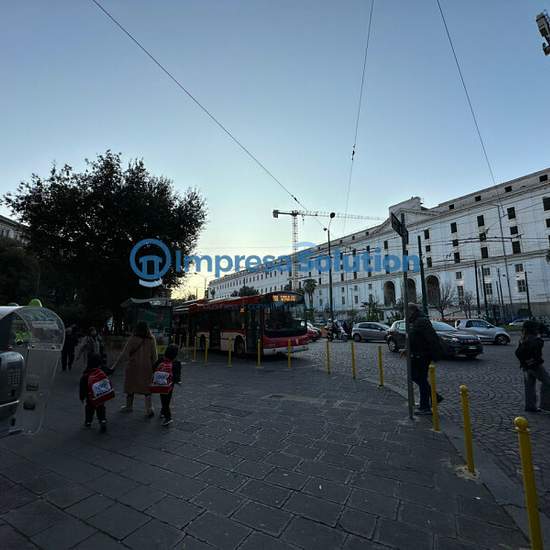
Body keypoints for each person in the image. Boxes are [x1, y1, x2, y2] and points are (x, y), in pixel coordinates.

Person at [114, 321, 158, 417]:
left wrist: (114, 367)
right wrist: (155, 368)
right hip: (147, 367)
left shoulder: (133, 339)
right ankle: (149, 408)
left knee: (130, 387)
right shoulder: (151, 339)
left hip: (133, 367)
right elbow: (154, 356)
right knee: (147, 388)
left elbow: (124, 354)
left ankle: (129, 406)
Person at [406, 303, 444, 415]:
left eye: (406, 312)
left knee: (419, 378)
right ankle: (431, 399)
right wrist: (407, 349)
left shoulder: (421, 321)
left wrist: (432, 354)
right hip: (419, 354)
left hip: (422, 356)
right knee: (419, 378)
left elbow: (429, 339)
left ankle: (425, 406)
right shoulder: (417, 321)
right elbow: (416, 338)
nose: (405, 314)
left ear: (411, 311)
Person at [515, 320, 550, 413]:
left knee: (529, 386)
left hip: (525, 367)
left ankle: (530, 406)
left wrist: (525, 363)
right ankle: (545, 405)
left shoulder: (523, 338)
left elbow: (518, 352)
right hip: (535, 366)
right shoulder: (535, 339)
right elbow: (537, 353)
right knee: (548, 383)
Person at [79, 353, 114, 432]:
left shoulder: (86, 374)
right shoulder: (102, 370)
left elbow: (82, 387)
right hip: (100, 394)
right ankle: (102, 420)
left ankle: (88, 421)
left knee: (89, 408)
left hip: (90, 396)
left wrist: (82, 396)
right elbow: (110, 371)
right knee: (101, 408)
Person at [151, 344, 182, 427]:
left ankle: (168, 417)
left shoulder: (161, 359)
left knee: (164, 399)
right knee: (166, 399)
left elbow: (153, 368)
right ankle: (163, 411)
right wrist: (178, 381)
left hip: (161, 383)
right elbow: (177, 374)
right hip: (170, 384)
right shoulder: (176, 362)